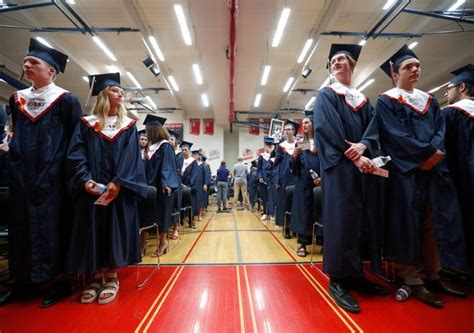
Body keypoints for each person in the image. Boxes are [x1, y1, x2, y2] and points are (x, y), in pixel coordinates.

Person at [373, 45, 466, 308]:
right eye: (408, 67)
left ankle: (433, 274)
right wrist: (425, 155)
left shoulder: (430, 100)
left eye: (417, 65)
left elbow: (441, 130)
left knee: (433, 221)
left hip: (434, 170)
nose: (415, 69)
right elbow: (395, 136)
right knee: (409, 223)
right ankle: (412, 278)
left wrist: (436, 152)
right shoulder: (386, 101)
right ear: (395, 74)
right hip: (407, 173)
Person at [1, 39, 82, 308]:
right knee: (21, 228)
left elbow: (75, 142)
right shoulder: (17, 100)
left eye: (33, 62)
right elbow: (16, 136)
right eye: (25, 61)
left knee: (55, 228)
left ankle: (60, 281)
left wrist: (65, 176)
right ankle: (23, 282)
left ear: (52, 71)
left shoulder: (66, 100)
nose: (26, 65)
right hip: (22, 177)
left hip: (54, 180)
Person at [314, 43, 387, 314]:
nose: (337, 63)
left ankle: (356, 274)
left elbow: (373, 129)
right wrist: (354, 155)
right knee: (342, 221)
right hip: (340, 170)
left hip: (363, 167)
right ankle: (337, 279)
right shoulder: (326, 95)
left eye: (342, 59)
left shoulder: (362, 100)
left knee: (361, 221)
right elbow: (326, 130)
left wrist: (365, 147)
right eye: (333, 60)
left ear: (353, 65)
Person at [65, 73, 147, 304]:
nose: (120, 93)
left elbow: (132, 158)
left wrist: (118, 181)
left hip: (117, 191)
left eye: (121, 91)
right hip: (91, 189)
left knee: (113, 229)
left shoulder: (128, 127)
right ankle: (95, 275)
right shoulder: (86, 124)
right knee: (92, 229)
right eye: (114, 90)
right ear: (102, 95)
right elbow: (76, 155)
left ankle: (111, 276)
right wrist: (85, 180)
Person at [443, 64, 474, 269]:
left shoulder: (451, 114)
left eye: (450, 87)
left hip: (461, 178)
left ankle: (462, 267)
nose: (446, 92)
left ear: (462, 87)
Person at [143, 115, 180, 257]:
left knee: (163, 214)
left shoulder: (165, 146)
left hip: (163, 186)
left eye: (147, 131)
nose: (146, 134)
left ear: (153, 131)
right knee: (147, 214)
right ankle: (143, 242)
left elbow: (168, 166)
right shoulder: (149, 148)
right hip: (149, 185)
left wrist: (166, 183)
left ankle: (162, 243)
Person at [291, 111, 321, 257]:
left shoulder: (323, 142)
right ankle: (302, 243)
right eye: (303, 123)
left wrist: (323, 177)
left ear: (314, 124)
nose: (304, 125)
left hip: (321, 181)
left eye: (307, 122)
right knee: (304, 211)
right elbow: (295, 168)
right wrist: (295, 157)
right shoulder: (302, 143)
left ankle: (322, 241)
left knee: (321, 211)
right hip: (303, 182)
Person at [272, 120, 298, 238]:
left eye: (289, 129)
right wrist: (276, 180)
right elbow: (276, 165)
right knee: (285, 203)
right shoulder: (280, 147)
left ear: (294, 131)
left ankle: (296, 227)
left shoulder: (302, 143)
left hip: (298, 177)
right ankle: (286, 227)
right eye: (285, 130)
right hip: (285, 178)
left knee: (297, 203)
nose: (286, 132)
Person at [168, 130, 184, 240]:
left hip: (176, 182)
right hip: (166, 182)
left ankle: (176, 229)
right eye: (168, 139)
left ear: (176, 141)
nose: (170, 141)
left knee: (175, 206)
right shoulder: (164, 151)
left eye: (172, 139)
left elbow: (176, 169)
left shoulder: (179, 155)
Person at [257, 136, 275, 221]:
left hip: (272, 180)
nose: (268, 148)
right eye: (267, 146)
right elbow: (259, 169)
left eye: (270, 146)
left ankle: (271, 213)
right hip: (263, 180)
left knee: (272, 197)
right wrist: (260, 177)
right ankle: (265, 213)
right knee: (264, 197)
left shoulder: (275, 156)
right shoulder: (262, 156)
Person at [181, 141, 198, 229]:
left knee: (190, 204)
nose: (184, 151)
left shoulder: (193, 161)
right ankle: (180, 221)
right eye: (182, 150)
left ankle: (191, 222)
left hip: (189, 187)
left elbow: (194, 175)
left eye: (186, 150)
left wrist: (188, 184)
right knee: (180, 204)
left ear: (189, 151)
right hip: (180, 186)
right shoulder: (180, 160)